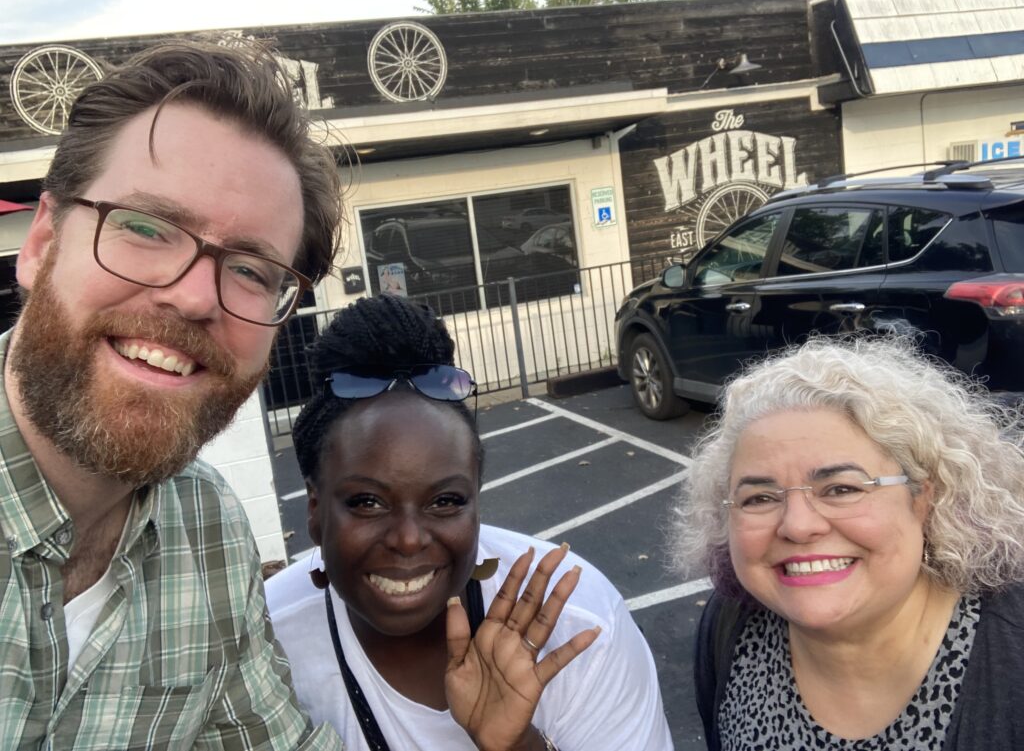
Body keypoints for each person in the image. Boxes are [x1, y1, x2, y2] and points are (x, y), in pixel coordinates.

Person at [1, 40, 348, 749]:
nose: (195, 298)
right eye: (146, 227)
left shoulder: (209, 527)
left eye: (252, 270)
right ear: (41, 243)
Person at [266, 294, 673, 751]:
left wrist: (519, 744)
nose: (408, 539)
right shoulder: (265, 644)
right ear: (315, 511)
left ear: (476, 501)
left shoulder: (577, 624)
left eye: (445, 500)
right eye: (367, 501)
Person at [675, 337, 1024, 750]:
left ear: (923, 499)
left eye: (840, 489)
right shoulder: (731, 623)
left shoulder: (1010, 657)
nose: (798, 526)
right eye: (761, 498)